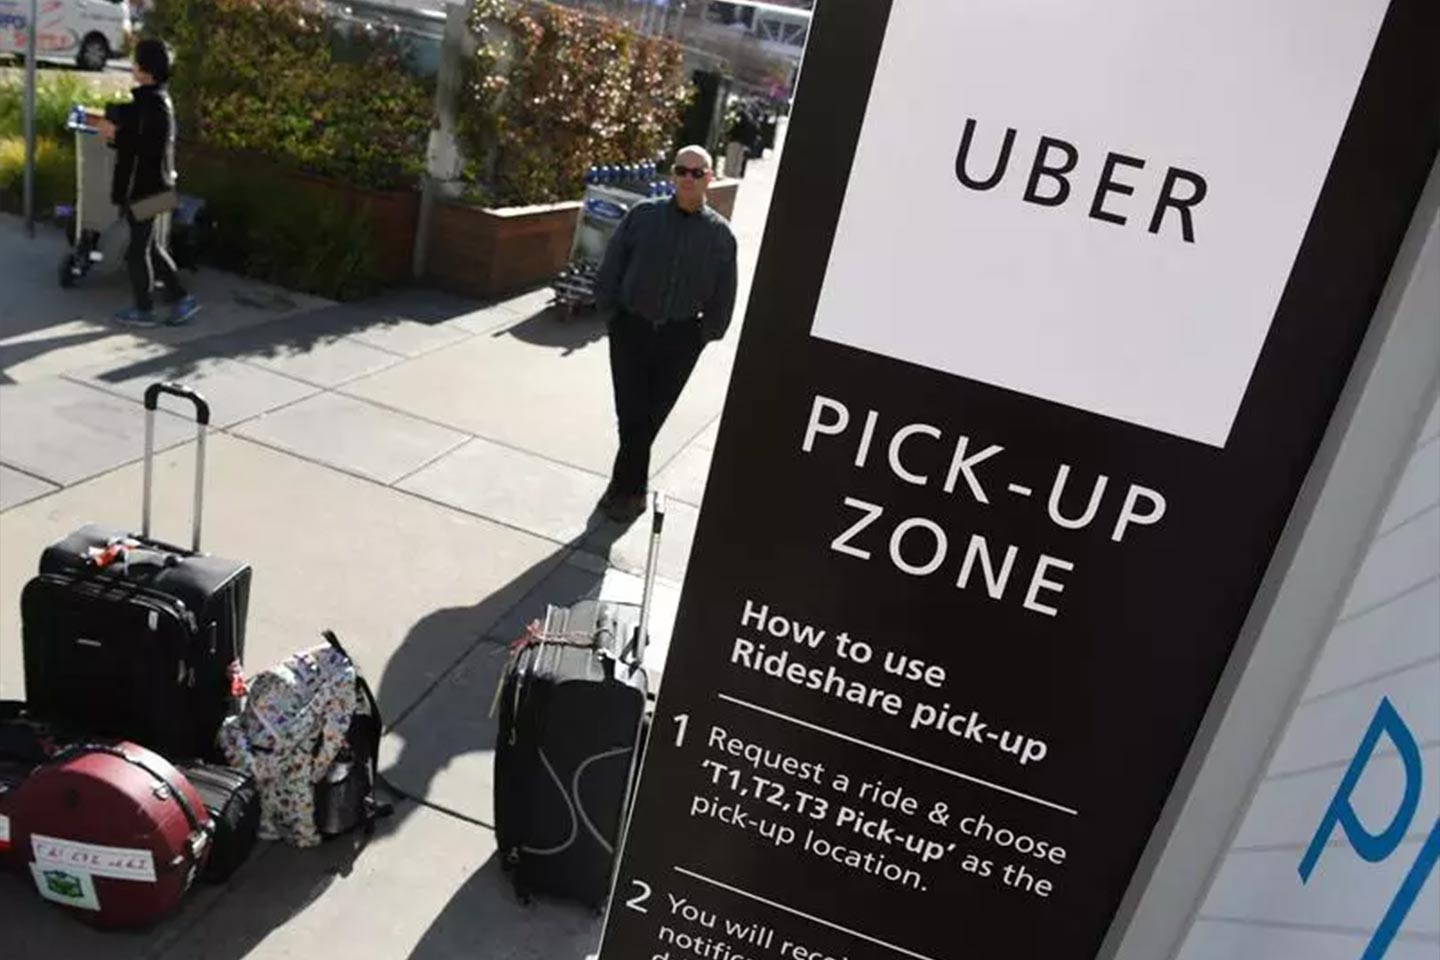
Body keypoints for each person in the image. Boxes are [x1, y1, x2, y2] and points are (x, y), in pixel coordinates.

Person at [595, 145, 738, 524]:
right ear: (672, 174)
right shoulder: (641, 217)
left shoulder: (721, 236)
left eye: (697, 172)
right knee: (630, 415)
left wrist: (704, 334)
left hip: (681, 339)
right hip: (631, 329)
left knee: (650, 418)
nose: (688, 178)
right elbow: (612, 265)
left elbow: (725, 293)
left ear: (709, 177)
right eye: (681, 170)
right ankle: (629, 491)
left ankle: (622, 489)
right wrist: (611, 314)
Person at [95, 38, 199, 327]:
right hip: (155, 187)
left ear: (146, 68)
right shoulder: (153, 99)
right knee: (150, 247)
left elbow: (149, 147)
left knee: (137, 252)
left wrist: (116, 135)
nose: (133, 66)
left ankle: (144, 309)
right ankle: (181, 298)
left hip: (149, 189)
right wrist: (116, 132)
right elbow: (140, 142)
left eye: (136, 61)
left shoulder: (155, 104)